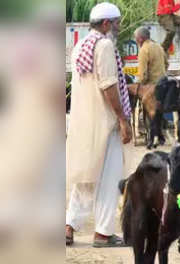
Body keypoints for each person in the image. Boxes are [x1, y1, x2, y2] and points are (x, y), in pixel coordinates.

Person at [66, 2, 132, 247]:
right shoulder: (104, 46)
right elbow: (108, 86)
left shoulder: (81, 45)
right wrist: (123, 119)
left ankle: (69, 226)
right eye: (116, 22)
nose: (118, 27)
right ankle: (103, 233)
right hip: (105, 123)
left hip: (83, 122)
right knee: (109, 178)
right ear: (106, 24)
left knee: (86, 175)